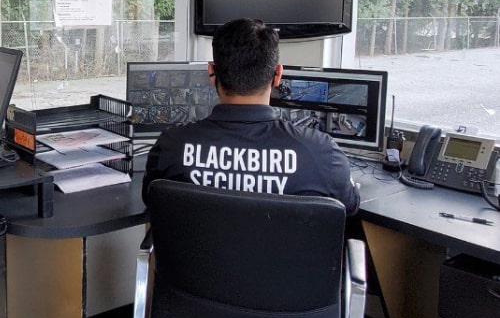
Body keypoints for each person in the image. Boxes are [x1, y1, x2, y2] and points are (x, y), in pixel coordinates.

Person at [142, 18, 360, 215]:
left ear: (211, 72)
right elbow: (350, 205)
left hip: (194, 260)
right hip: (283, 260)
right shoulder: (322, 153)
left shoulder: (171, 146)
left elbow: (150, 198)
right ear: (277, 76)